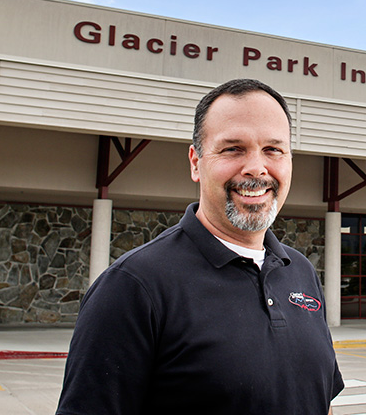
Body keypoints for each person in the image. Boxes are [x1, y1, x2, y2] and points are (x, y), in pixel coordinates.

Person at [56, 78, 344, 415]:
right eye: (233, 148)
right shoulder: (132, 286)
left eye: (273, 149)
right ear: (196, 162)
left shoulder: (300, 272)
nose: (256, 168)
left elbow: (320, 401)